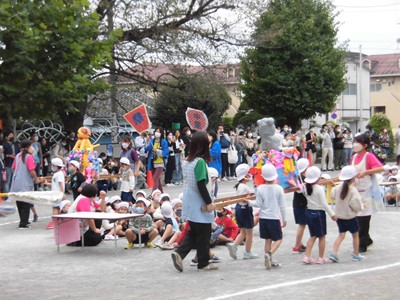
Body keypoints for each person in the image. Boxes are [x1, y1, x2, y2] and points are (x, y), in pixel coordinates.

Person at [171, 131, 218, 272]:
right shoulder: (200, 162)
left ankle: (179, 253)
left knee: (194, 231)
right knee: (204, 232)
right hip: (199, 199)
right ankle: (203, 263)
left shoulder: (187, 160)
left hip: (189, 198)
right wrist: (209, 202)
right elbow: (201, 184)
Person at [246, 164, 287, 269]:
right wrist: (284, 219)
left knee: (267, 239)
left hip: (263, 218)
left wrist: (249, 202)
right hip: (273, 218)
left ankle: (268, 260)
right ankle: (269, 254)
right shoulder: (279, 189)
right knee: (278, 239)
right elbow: (282, 206)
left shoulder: (260, 188)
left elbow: (258, 204)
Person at [351, 134, 385, 253]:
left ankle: (362, 244)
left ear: (365, 145)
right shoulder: (354, 157)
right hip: (355, 191)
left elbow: (381, 168)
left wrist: (366, 172)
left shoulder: (368, 156)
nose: (355, 144)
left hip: (366, 192)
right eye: (354, 142)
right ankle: (367, 239)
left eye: (358, 142)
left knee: (364, 219)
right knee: (355, 218)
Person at [329, 166, 365, 263]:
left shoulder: (337, 187)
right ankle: (356, 254)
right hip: (350, 217)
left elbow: (332, 195)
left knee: (341, 235)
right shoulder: (353, 190)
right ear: (353, 178)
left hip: (339, 216)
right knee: (355, 235)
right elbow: (355, 204)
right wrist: (361, 207)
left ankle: (334, 253)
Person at [302, 166, 336, 265]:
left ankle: (306, 256)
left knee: (313, 236)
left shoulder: (305, 188)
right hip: (318, 214)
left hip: (309, 212)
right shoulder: (319, 189)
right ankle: (320, 257)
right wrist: (332, 215)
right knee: (322, 236)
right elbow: (324, 204)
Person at [227, 164, 258, 260]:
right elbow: (245, 199)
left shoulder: (239, 186)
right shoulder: (244, 187)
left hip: (239, 208)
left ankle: (234, 245)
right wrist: (252, 198)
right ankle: (248, 252)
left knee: (243, 231)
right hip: (245, 209)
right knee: (249, 232)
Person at [10, 140, 40, 229]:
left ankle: (24, 221)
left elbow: (13, 168)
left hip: (16, 182)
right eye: (31, 146)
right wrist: (36, 179)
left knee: (19, 202)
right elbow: (32, 171)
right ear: (27, 147)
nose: (33, 148)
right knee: (26, 203)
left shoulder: (18, 155)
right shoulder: (29, 157)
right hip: (25, 183)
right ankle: (23, 223)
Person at [292, 158, 309, 254]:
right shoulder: (301, 179)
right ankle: (296, 246)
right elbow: (303, 191)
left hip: (297, 204)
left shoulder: (297, 177)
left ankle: (300, 244)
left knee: (301, 225)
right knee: (302, 225)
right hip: (301, 205)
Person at [43, 157, 66, 229]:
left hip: (57, 194)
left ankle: (55, 222)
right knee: (56, 207)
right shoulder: (57, 174)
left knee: (55, 208)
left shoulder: (59, 174)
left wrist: (62, 193)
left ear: (56, 166)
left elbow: (61, 184)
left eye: (53, 165)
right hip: (55, 194)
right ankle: (57, 221)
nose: (51, 166)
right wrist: (48, 184)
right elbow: (55, 184)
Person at [146, 127, 169, 193]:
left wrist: (157, 150)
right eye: (156, 131)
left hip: (160, 163)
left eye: (159, 132)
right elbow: (147, 149)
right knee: (157, 179)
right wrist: (147, 141)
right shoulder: (152, 141)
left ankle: (153, 194)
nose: (157, 133)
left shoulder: (164, 142)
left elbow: (165, 152)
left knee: (155, 178)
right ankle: (161, 193)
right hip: (153, 162)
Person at [3, 130, 20, 196]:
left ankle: (11, 195)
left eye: (12, 135)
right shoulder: (3, 144)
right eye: (10, 135)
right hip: (7, 164)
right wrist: (8, 155)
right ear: (6, 137)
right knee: (7, 181)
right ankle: (6, 196)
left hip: (15, 165)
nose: (12, 136)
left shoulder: (15, 144)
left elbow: (18, 152)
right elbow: (2, 155)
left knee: (13, 181)